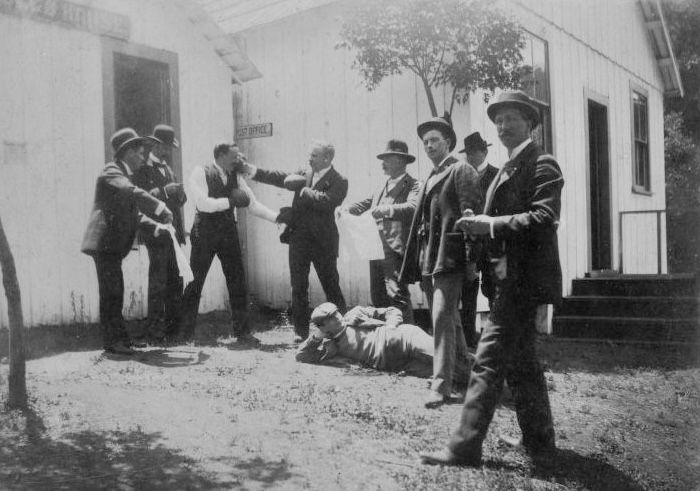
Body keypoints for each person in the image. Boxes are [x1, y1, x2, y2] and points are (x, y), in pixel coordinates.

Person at [420, 90, 564, 467]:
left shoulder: (543, 164)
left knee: (486, 358)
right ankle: (540, 442)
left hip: (525, 282)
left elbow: (544, 218)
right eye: (498, 121)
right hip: (505, 279)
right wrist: (478, 237)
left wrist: (491, 225)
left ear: (529, 123)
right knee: (522, 362)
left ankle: (463, 447)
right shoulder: (506, 167)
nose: (502, 126)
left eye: (511, 119)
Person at [399, 114, 481, 409]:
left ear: (448, 142)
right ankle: (473, 377)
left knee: (441, 318)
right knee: (452, 321)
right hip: (429, 257)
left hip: (452, 255)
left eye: (435, 140)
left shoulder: (462, 170)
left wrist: (471, 259)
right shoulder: (430, 177)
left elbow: (472, 218)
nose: (429, 145)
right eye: (425, 141)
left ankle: (441, 387)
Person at [241, 140, 348, 341]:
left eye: (314, 155)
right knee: (298, 287)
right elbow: (279, 177)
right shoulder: (303, 173)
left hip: (323, 243)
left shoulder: (340, 180)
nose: (309, 159)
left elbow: (328, 202)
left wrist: (305, 191)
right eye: (309, 155)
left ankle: (344, 331)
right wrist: (252, 171)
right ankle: (300, 333)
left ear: (327, 158)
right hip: (299, 240)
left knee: (331, 286)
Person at [81, 128, 173, 355]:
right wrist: (160, 206)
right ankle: (113, 343)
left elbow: (135, 215)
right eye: (140, 152)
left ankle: (121, 339)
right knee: (111, 293)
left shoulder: (122, 174)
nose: (143, 157)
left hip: (112, 245)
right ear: (127, 152)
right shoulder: (111, 171)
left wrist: (157, 227)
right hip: (104, 243)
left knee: (116, 291)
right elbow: (132, 193)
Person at [179, 143, 278, 345]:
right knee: (195, 282)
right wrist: (230, 202)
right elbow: (203, 204)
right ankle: (185, 334)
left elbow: (252, 204)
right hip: (204, 232)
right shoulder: (200, 172)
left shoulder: (236, 175)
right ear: (221, 155)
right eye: (234, 157)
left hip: (227, 232)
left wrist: (277, 218)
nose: (239, 160)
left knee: (237, 282)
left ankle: (243, 333)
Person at [339, 139, 421, 324]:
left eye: (388, 159)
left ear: (401, 161)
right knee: (378, 297)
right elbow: (366, 203)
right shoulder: (382, 187)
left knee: (397, 296)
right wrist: (346, 208)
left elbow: (413, 206)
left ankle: (407, 341)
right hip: (375, 248)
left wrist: (387, 210)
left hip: (395, 249)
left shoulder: (414, 185)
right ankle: (386, 340)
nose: (383, 163)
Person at [296, 302, 473, 379]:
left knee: (446, 361)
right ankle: (485, 377)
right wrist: (317, 336)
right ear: (323, 327)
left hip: (403, 338)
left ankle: (489, 374)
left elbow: (392, 311)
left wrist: (390, 327)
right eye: (330, 318)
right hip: (396, 364)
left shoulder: (356, 314)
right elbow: (302, 356)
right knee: (448, 374)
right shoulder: (330, 345)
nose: (337, 317)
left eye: (336, 313)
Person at [132, 124, 187, 342]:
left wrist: (180, 194)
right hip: (157, 233)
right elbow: (144, 198)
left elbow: (177, 201)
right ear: (154, 144)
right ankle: (155, 332)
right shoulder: (142, 170)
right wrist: (166, 191)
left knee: (176, 280)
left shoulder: (169, 169)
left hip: (174, 233)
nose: (167, 151)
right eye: (164, 147)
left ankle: (174, 331)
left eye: (169, 147)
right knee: (158, 283)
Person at [457, 132, 498, 348]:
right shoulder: (463, 176)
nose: (470, 157)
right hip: (470, 245)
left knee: (492, 290)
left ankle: (495, 339)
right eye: (468, 153)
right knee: (468, 290)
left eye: (474, 152)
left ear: (484, 152)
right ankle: (469, 341)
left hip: (491, 244)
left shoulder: (497, 175)